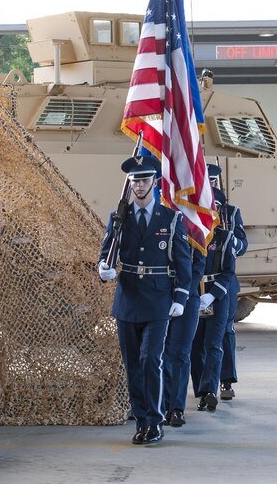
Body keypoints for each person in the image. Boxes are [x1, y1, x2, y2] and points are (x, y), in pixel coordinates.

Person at [98, 154, 192, 446]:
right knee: (133, 366)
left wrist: (181, 295)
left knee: (151, 359)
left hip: (158, 299)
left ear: (155, 182)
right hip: (127, 299)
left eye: (144, 179)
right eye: (135, 180)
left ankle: (155, 420)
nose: (139, 185)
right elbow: (106, 253)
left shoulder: (170, 218)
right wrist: (103, 269)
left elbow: (183, 262)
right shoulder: (119, 218)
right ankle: (141, 421)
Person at [191, 165, 247, 413]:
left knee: (225, 331)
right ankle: (205, 386)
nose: (210, 185)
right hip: (201, 281)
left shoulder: (231, 212)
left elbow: (243, 244)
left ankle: (225, 381)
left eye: (213, 181)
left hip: (225, 281)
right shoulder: (196, 213)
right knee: (198, 338)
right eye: (206, 181)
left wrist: (229, 238)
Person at [162, 245, 205, 428]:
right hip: (160, 295)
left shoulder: (195, 224)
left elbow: (198, 264)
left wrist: (183, 294)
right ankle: (162, 406)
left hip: (188, 297)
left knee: (180, 353)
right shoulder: (160, 219)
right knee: (161, 354)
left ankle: (177, 408)